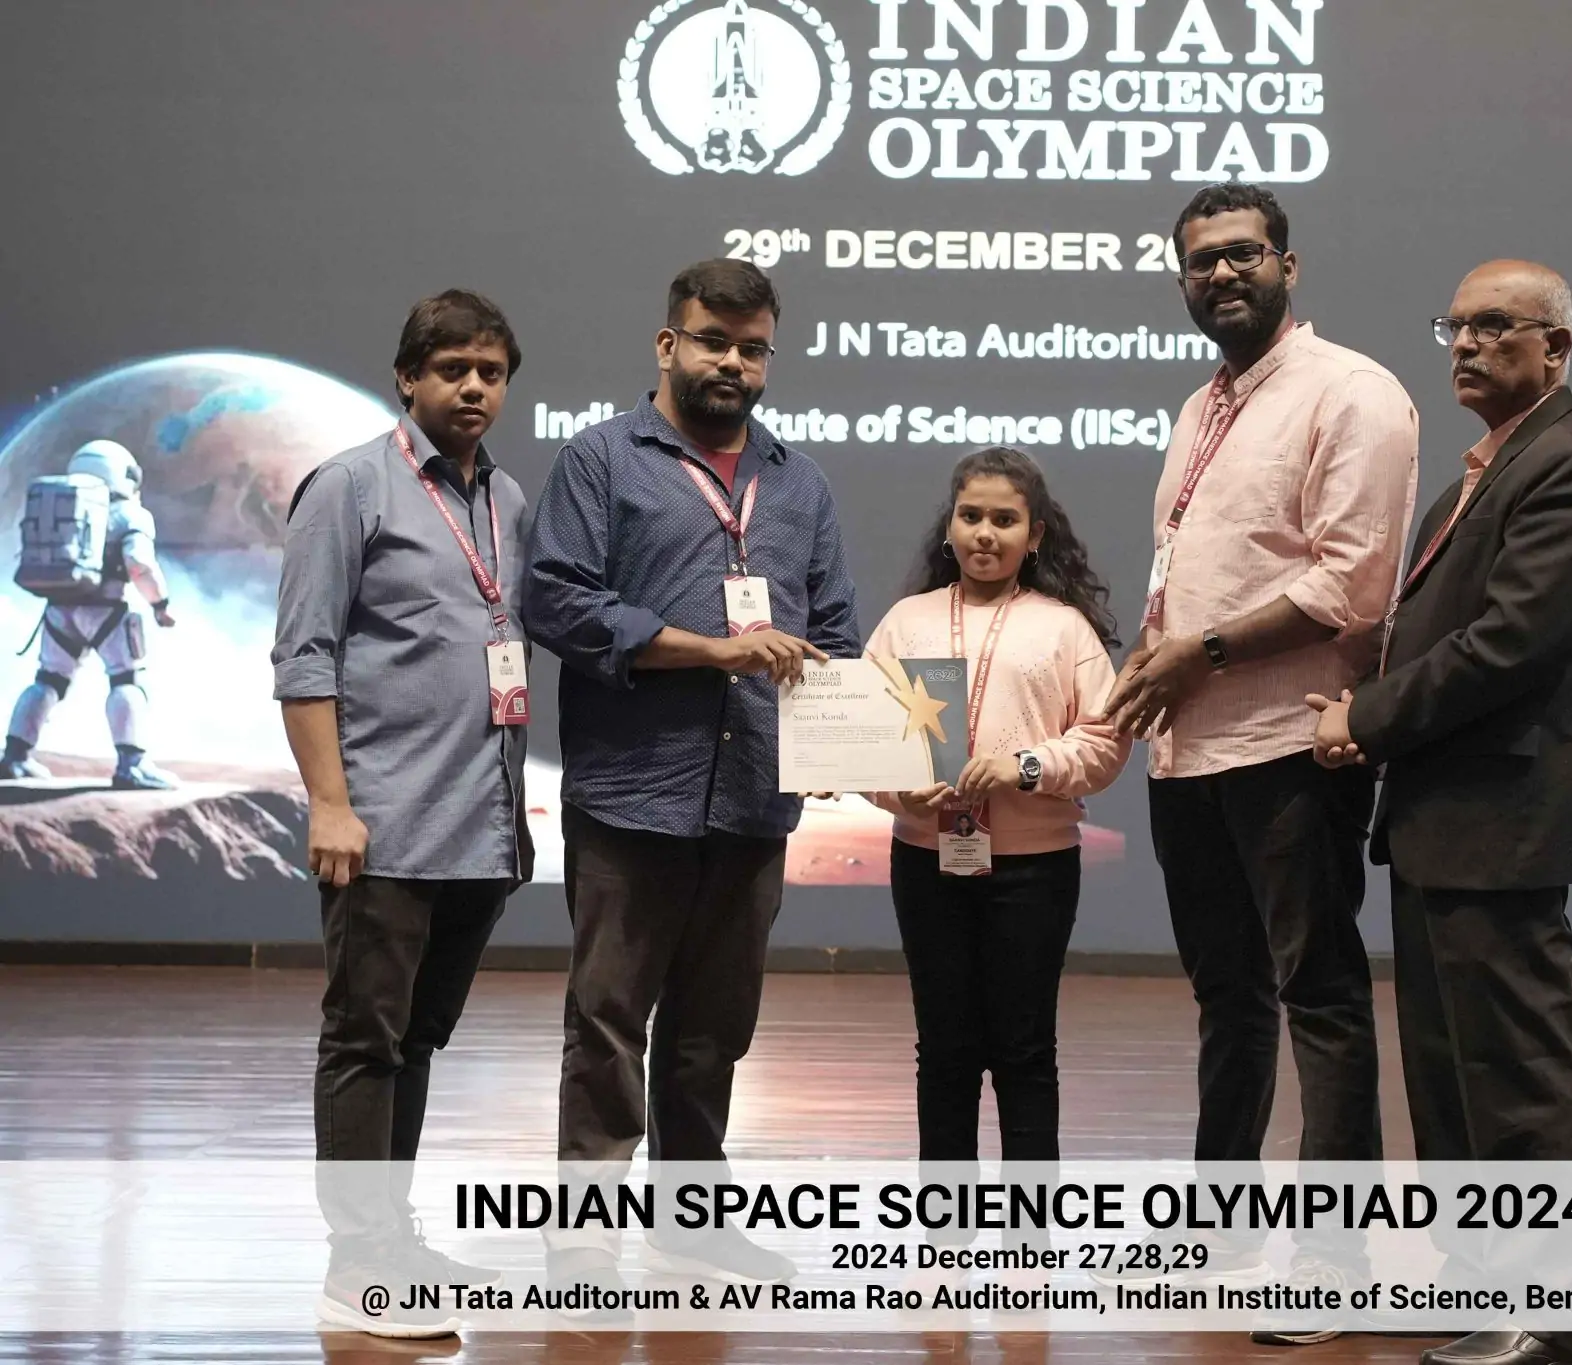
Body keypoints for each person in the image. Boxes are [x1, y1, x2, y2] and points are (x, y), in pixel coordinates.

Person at [1311, 260, 1572, 1365]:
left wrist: (1366, 716)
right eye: (1453, 326)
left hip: (1506, 818)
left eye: (1493, 326)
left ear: (1555, 347)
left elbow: (1506, 645)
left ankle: (1551, 1316)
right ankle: (1481, 1281)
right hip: (1444, 817)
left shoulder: (1570, 468)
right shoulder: (1472, 480)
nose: (1463, 344)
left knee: (1514, 1071)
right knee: (1451, 1071)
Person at [1101, 183, 1417, 1293]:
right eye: (1200, 262)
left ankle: (1335, 1254)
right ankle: (1220, 1224)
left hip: (1289, 743)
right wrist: (1158, 653)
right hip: (1187, 750)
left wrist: (1202, 653)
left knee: (1318, 994)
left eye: (1242, 254)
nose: (1221, 275)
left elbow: (1352, 586)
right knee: (1226, 998)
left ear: (1289, 264)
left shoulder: (1351, 393)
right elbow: (1196, 569)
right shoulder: (1202, 405)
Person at [524, 258, 859, 1300]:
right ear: (668, 344)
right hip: (633, 793)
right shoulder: (600, 460)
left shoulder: (798, 482)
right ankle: (585, 1235)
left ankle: (690, 1224)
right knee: (608, 1019)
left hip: (754, 796)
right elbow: (559, 601)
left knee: (715, 1030)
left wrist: (847, 738)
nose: (733, 364)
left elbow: (834, 629)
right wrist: (708, 650)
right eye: (713, 341)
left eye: (752, 348)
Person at [272, 290, 531, 1339]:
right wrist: (329, 804)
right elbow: (304, 656)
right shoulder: (348, 487)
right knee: (364, 1042)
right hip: (381, 828)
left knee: (416, 1042)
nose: (473, 387)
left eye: (491, 373)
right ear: (407, 378)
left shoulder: (507, 498)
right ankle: (356, 1264)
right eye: (452, 369)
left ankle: (391, 1236)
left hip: (479, 828)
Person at [866, 447, 1131, 1169]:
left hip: (1036, 871)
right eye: (971, 515)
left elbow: (1105, 743)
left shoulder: (1065, 628)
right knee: (943, 1049)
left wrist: (1026, 767)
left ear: (1035, 534)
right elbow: (866, 740)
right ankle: (946, 1219)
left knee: (1025, 1049)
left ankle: (1029, 1221)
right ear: (950, 526)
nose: (985, 533)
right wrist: (898, 790)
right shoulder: (906, 622)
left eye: (1005, 520)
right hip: (926, 861)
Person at [4, 439, 179, 789]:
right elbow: (140, 564)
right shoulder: (130, 515)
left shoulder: (64, 507)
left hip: (58, 609)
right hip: (108, 611)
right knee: (126, 681)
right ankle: (132, 765)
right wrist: (160, 604)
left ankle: (15, 757)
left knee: (48, 680)